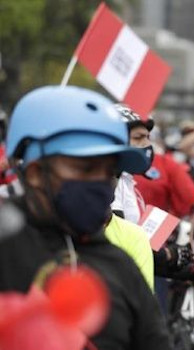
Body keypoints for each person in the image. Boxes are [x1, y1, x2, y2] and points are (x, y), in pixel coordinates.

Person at [0, 85, 171, 349]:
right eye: (85, 167)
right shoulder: (6, 248)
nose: (102, 182)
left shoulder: (120, 266)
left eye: (109, 170)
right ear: (34, 172)